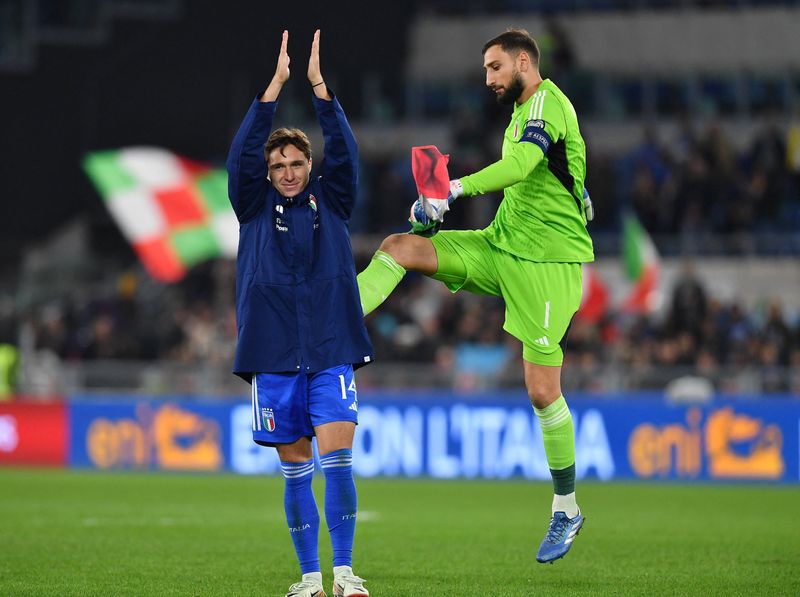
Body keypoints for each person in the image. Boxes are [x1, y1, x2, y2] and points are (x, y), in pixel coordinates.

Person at [357, 28, 593, 564]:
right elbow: (558, 174)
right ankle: (336, 316)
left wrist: (453, 190)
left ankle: (566, 507)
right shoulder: (522, 114)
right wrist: (430, 209)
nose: (488, 78)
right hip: (501, 245)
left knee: (540, 389)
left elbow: (521, 168)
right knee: (402, 245)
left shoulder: (546, 105)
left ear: (525, 62)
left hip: (548, 266)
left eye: (495, 67)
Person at [226, 30, 372, 597]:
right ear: (268, 171)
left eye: (296, 160)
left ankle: (344, 574)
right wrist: (275, 87)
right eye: (279, 163)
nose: (287, 169)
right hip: (273, 354)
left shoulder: (332, 200)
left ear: (310, 164)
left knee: (338, 460)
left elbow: (348, 151)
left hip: (331, 346)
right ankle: (309, 577)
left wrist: (316, 87)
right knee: (295, 468)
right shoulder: (252, 206)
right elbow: (242, 154)